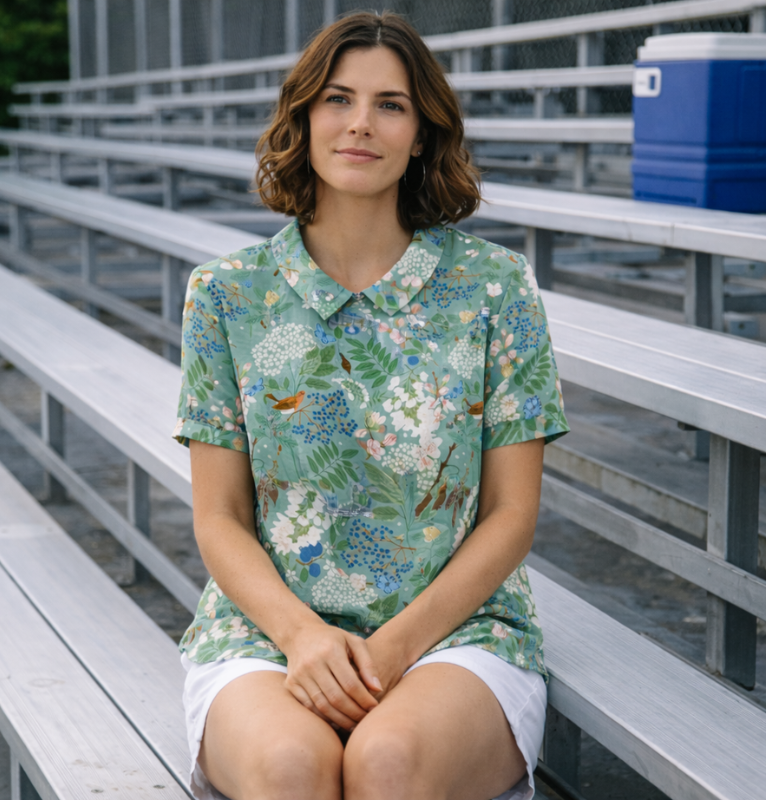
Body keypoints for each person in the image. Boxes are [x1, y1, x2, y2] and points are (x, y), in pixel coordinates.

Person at [172, 11, 569, 800]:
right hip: (268, 632)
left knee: (386, 767)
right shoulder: (225, 294)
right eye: (337, 99)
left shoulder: (495, 287)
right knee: (292, 773)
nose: (361, 124)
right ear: (304, 117)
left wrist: (387, 654)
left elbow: (510, 515)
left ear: (422, 134)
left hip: (456, 632)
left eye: (390, 105)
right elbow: (218, 517)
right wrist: (303, 637)